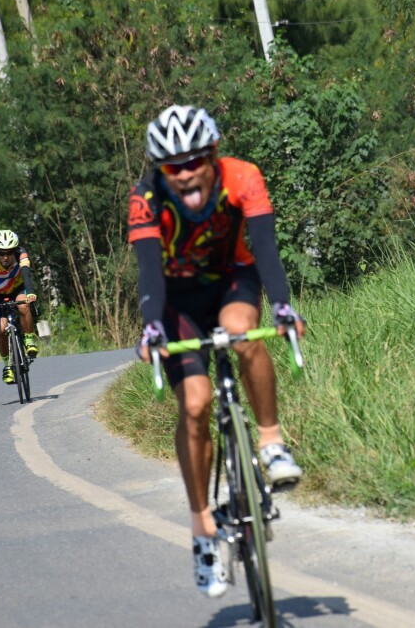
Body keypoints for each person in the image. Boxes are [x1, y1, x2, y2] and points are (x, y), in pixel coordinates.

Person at [129, 104, 306, 599]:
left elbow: (265, 249)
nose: (185, 174)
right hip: (176, 300)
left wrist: (284, 306)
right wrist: (151, 326)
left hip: (231, 281)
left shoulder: (243, 177)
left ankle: (270, 442)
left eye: (194, 162)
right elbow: (148, 270)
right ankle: (203, 529)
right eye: (173, 167)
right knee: (195, 404)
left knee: (243, 334)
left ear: (212, 155)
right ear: (160, 171)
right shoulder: (146, 197)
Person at [0, 229, 40, 384]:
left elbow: (26, 274)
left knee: (24, 306)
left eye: (9, 253)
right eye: (1, 253)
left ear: (15, 250)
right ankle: (7, 366)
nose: (5, 257)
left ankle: (29, 340)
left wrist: (30, 292)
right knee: (1, 330)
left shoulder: (21, 253)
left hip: (18, 289)